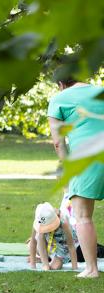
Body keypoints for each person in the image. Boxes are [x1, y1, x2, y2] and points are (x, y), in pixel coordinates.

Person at [48, 76, 104, 278]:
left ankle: (91, 269)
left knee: (83, 216)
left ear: (61, 84)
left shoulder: (59, 99)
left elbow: (59, 142)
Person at [29, 202, 79, 271]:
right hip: (49, 242)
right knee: (39, 235)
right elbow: (33, 241)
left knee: (55, 267)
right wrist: (32, 265)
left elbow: (71, 245)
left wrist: (74, 267)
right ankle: (45, 263)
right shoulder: (39, 222)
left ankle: (47, 258)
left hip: (62, 245)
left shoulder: (63, 222)